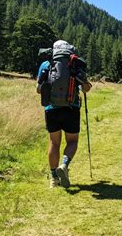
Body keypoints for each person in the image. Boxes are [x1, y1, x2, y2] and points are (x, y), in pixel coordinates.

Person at [36, 40, 92, 188]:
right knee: (72, 141)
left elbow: (38, 89)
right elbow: (86, 89)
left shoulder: (46, 65)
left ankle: (54, 178)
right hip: (71, 108)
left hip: (51, 109)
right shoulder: (74, 64)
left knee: (54, 142)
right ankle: (64, 165)